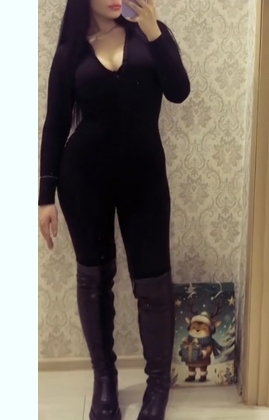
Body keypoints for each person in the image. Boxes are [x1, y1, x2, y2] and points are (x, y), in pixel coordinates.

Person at [38, 0, 190, 419]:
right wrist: (45, 197)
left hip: (145, 179)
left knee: (153, 282)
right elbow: (55, 123)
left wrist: (154, 29)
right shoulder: (70, 51)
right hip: (84, 180)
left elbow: (179, 91)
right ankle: (104, 380)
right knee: (94, 279)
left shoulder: (151, 35)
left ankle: (158, 387)